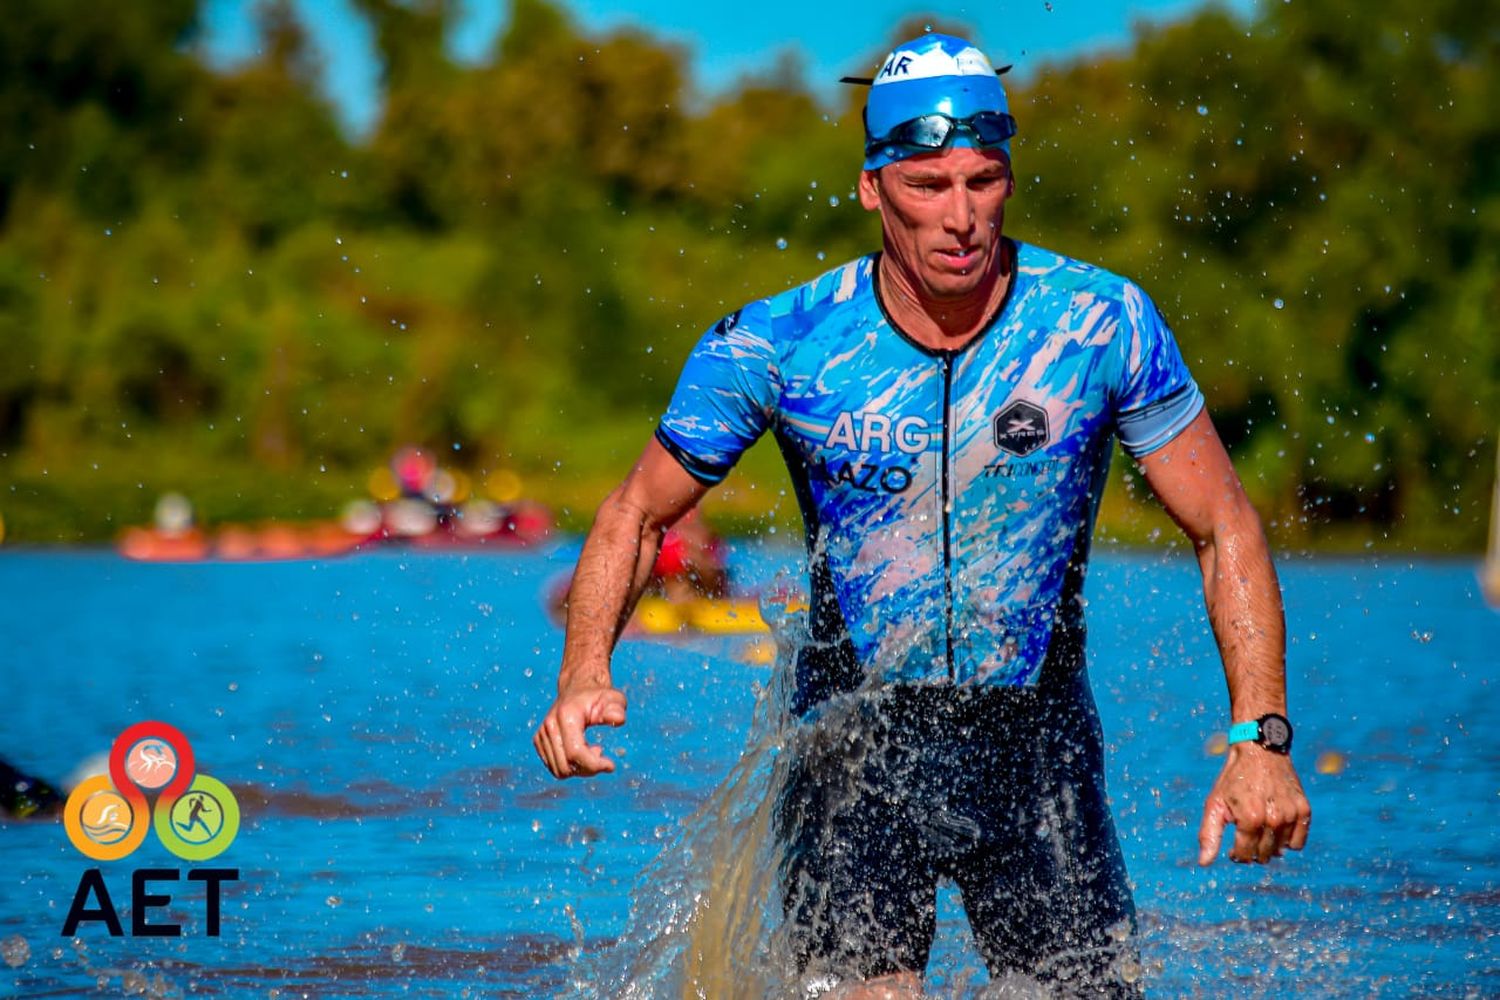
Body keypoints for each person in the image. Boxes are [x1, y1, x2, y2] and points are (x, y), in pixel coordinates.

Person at [534, 31, 1311, 996]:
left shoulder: (1099, 324)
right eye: (927, 186)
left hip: (1035, 749)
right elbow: (636, 513)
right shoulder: (780, 343)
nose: (961, 219)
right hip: (850, 748)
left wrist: (1259, 739)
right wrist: (583, 673)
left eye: (983, 182)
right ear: (871, 187)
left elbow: (1224, 524)